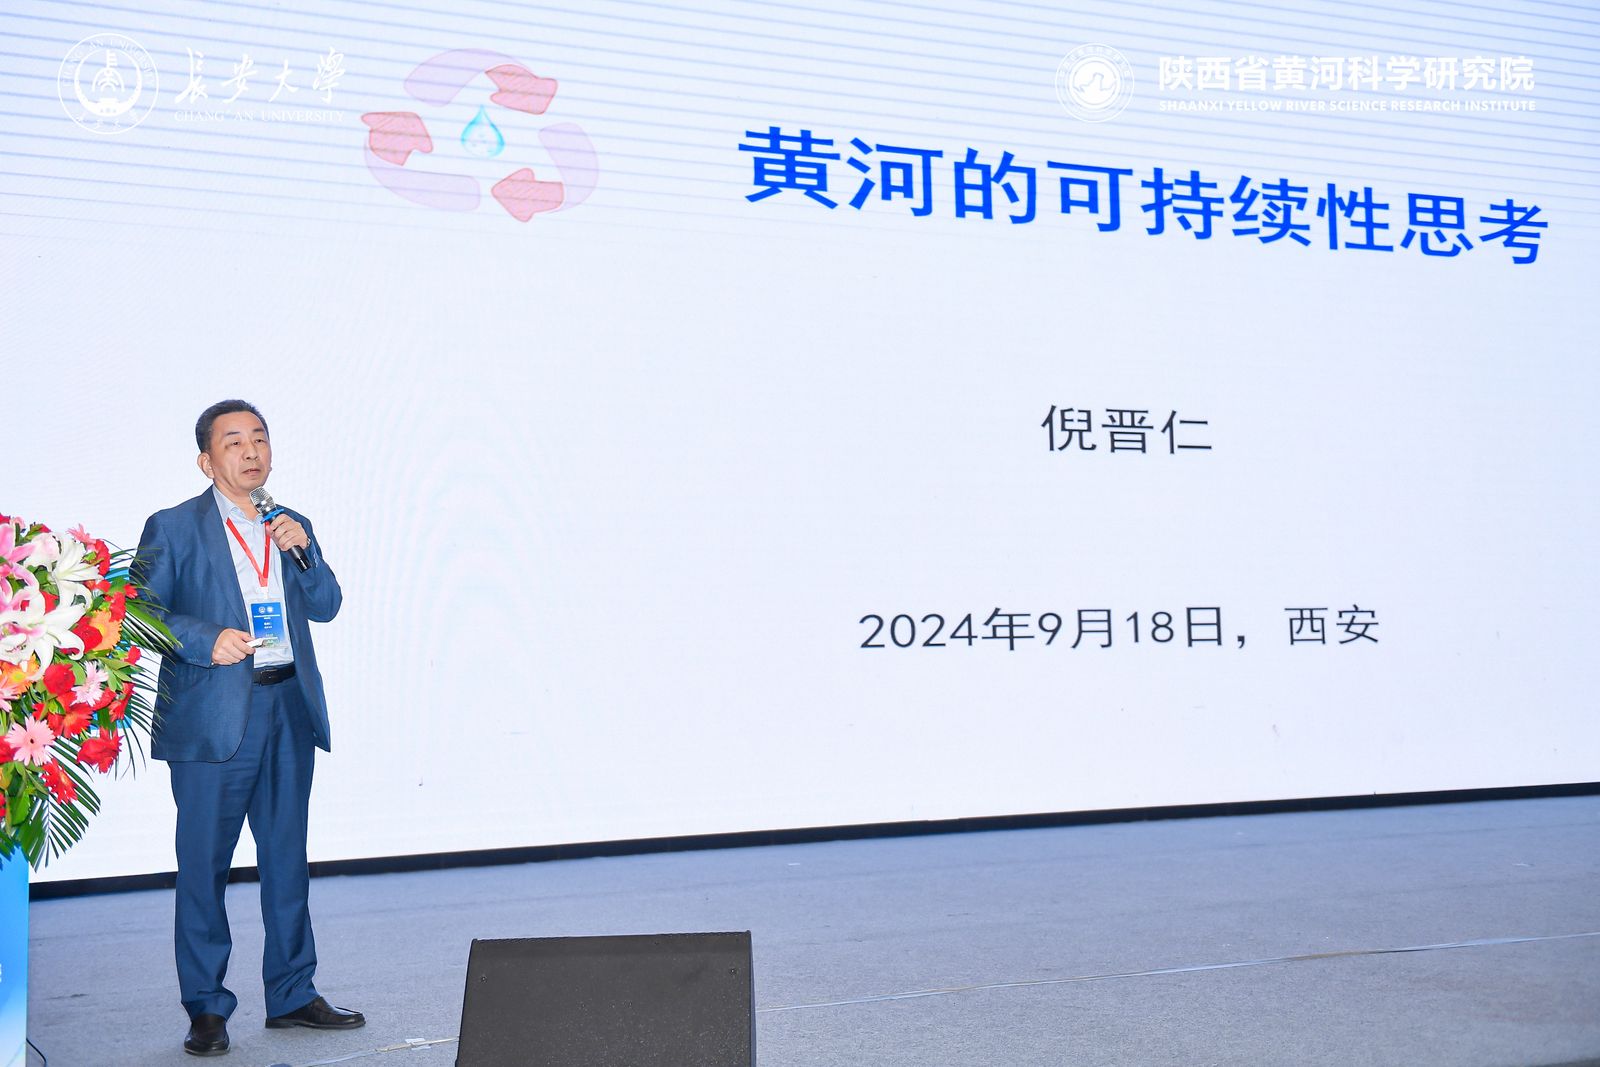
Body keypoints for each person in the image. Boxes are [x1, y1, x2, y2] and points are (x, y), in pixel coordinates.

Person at [135, 400, 363, 1057]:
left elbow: (327, 605)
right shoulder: (173, 526)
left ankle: (292, 993)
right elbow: (138, 614)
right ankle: (206, 1007)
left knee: (287, 859)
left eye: (259, 438)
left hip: (286, 705)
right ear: (207, 461)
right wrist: (205, 639)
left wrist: (304, 555)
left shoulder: (292, 524)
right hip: (213, 717)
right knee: (203, 866)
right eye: (233, 441)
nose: (251, 451)